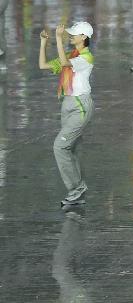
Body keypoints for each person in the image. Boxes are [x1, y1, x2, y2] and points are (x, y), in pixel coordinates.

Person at [38, 21, 95, 207]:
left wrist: (58, 39)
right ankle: (79, 188)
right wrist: (43, 43)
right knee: (71, 148)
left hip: (80, 107)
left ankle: (76, 188)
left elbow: (64, 63)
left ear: (84, 38)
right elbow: (43, 65)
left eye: (74, 34)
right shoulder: (73, 55)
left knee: (59, 147)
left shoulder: (86, 58)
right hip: (67, 104)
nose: (71, 36)